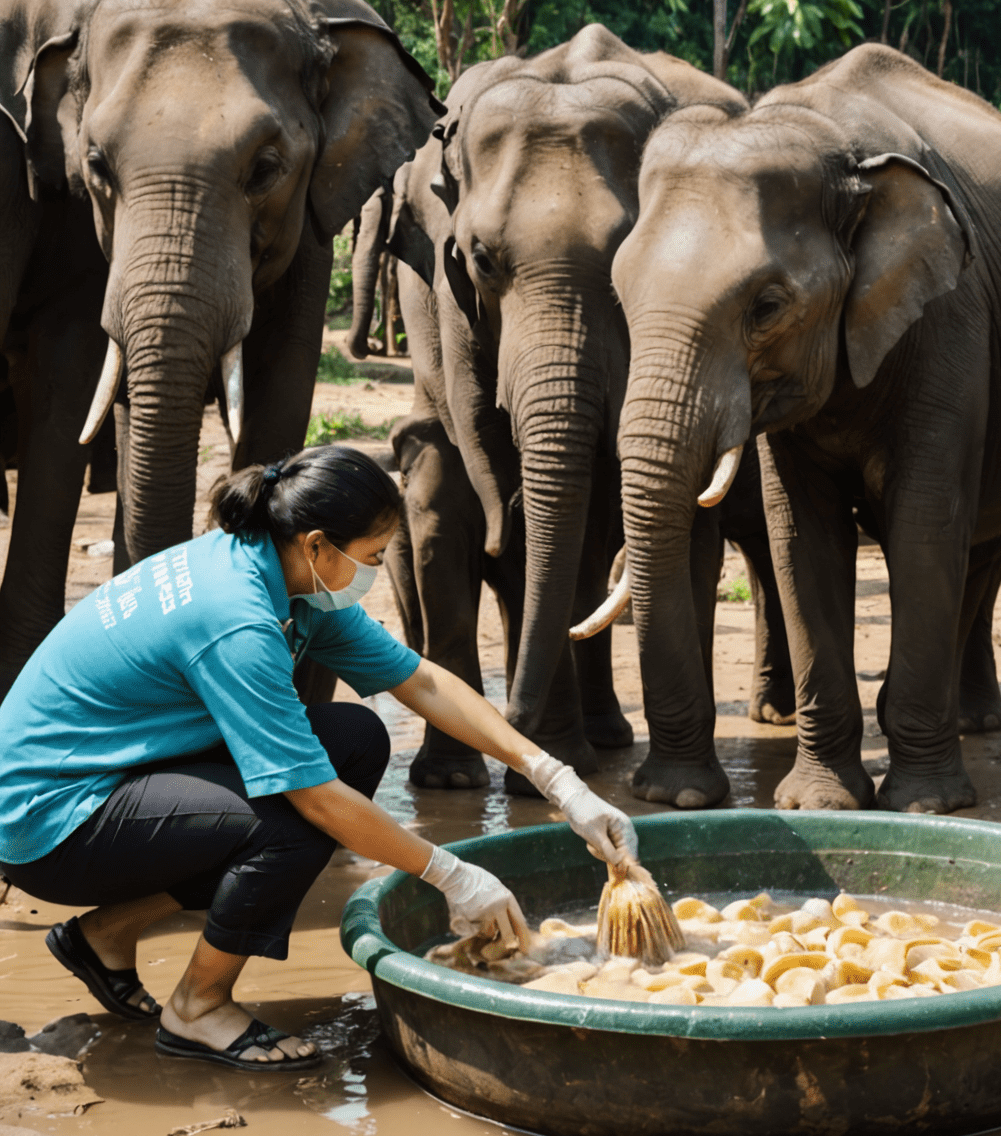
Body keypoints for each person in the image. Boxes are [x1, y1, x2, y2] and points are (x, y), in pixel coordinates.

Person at [0, 445, 635, 1072]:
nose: (376, 569)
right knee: (287, 823)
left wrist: (559, 781)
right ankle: (198, 1007)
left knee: (356, 739)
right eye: (373, 556)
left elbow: (422, 683)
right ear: (318, 544)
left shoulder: (287, 576)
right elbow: (318, 800)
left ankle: (104, 937)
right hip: (49, 817)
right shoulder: (237, 620)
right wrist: (452, 874)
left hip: (116, 773)